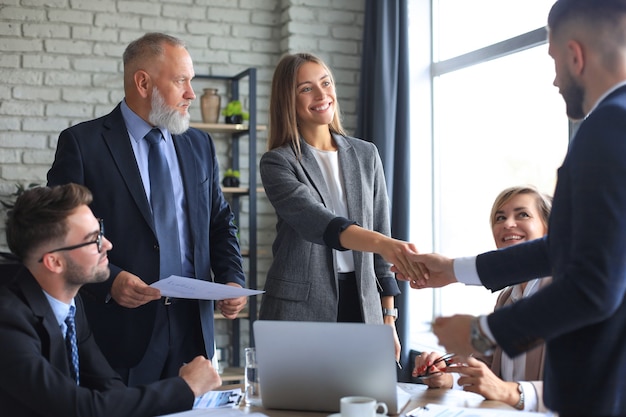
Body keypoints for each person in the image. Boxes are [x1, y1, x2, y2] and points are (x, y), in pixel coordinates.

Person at [400, 1, 626, 415]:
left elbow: (594, 285)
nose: (555, 79)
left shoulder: (608, 126)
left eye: (554, 60)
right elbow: (565, 249)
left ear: (575, 55)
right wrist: (451, 269)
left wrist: (481, 332)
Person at [46, 32, 247, 386]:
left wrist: (232, 278)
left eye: (191, 81)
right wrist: (110, 279)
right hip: (120, 331)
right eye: (181, 80)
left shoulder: (200, 144)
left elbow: (218, 221)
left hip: (193, 329)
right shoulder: (82, 144)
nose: (191, 94)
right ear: (143, 82)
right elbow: (59, 233)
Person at [0, 183, 222, 417]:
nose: (107, 245)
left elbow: (108, 386)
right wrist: (185, 387)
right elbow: (78, 408)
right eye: (93, 239)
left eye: (101, 231)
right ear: (54, 262)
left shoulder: (71, 304)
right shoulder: (7, 321)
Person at [258, 52, 420, 361]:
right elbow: (318, 222)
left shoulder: (366, 154)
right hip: (299, 307)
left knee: (365, 402)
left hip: (363, 302)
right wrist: (385, 245)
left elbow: (381, 228)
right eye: (306, 88)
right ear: (287, 100)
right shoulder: (278, 162)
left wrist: (389, 318)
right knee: (299, 404)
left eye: (325, 83)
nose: (321, 95)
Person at [414, 186, 552, 413]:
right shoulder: (506, 298)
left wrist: (509, 391)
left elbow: (584, 385)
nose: (508, 224)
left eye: (522, 214)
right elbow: (485, 365)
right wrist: (446, 376)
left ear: (547, 231)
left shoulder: (566, 296)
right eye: (500, 217)